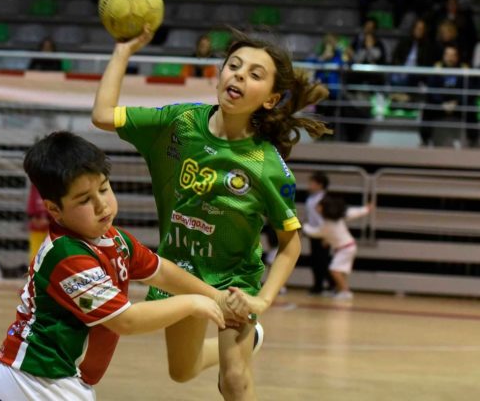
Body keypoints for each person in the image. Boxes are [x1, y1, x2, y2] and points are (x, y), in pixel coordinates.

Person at [92, 27, 330, 400]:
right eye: (233, 66)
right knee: (181, 371)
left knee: (234, 379)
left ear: (270, 99)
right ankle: (251, 342)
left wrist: (261, 301)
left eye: (254, 74)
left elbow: (290, 244)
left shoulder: (267, 165)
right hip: (181, 273)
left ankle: (243, 342)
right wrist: (123, 51)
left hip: (236, 281)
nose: (238, 74)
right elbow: (103, 115)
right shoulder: (181, 122)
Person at [0, 132, 248, 400]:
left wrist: (217, 296)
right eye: (84, 199)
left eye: (104, 188)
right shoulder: (67, 256)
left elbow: (161, 271)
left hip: (53, 381)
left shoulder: (114, 239)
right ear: (54, 210)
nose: (101, 204)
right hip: (32, 382)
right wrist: (193, 303)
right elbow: (127, 321)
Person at [302, 194, 372, 300]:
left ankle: (346, 291)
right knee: (341, 271)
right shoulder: (334, 220)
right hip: (347, 247)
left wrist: (303, 226)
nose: (317, 208)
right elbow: (353, 213)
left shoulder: (327, 224)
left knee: (334, 270)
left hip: (345, 248)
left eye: (318, 206)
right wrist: (366, 209)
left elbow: (314, 232)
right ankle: (340, 290)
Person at [304, 171, 334, 295]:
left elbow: (328, 219)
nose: (309, 185)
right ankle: (318, 286)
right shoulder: (311, 198)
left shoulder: (325, 199)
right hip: (313, 233)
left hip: (324, 234)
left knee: (323, 261)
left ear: (320, 185)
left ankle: (333, 284)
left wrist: (327, 236)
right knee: (315, 261)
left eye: (312, 183)